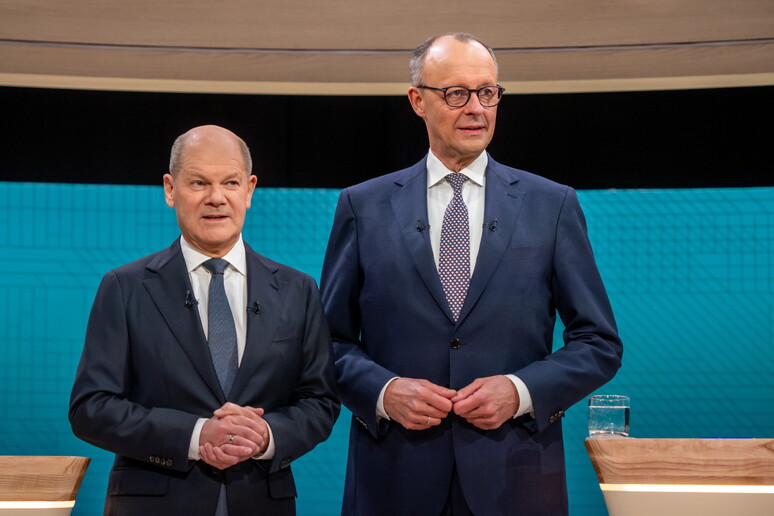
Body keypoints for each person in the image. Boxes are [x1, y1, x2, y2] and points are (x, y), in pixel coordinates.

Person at [320, 33, 623, 515]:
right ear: (417, 101)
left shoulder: (552, 205)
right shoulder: (363, 206)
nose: (476, 108)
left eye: (487, 92)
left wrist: (521, 392)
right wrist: (384, 392)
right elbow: (327, 343)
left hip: (515, 480)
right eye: (456, 93)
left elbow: (599, 342)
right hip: (394, 478)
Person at [69, 125, 339, 516]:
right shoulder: (125, 287)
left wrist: (265, 435)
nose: (216, 197)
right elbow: (91, 408)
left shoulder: (297, 290)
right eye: (199, 183)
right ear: (170, 189)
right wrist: (196, 435)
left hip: (260, 501)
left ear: (249, 190)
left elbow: (320, 401)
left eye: (230, 182)